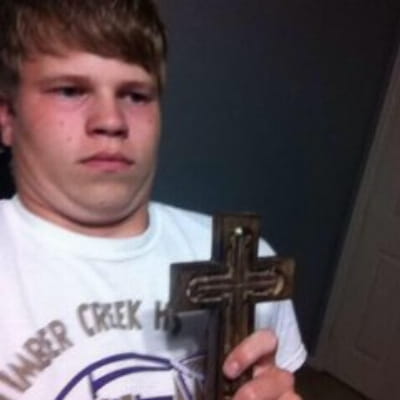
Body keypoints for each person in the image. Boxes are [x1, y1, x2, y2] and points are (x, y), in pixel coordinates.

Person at [0, 1, 306, 399]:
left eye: (136, 95)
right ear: (7, 116)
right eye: (70, 90)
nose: (111, 120)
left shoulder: (248, 265)